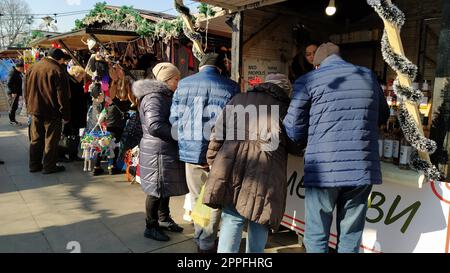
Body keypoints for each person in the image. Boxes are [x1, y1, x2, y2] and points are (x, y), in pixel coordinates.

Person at [283, 43, 390, 253]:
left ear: (317, 65)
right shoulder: (367, 76)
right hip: (361, 167)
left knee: (316, 233)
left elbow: (293, 126)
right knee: (351, 235)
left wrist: (305, 141)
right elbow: (383, 115)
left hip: (323, 168)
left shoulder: (309, 80)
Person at [203, 74, 296, 253]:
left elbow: (217, 133)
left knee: (232, 218)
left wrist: (214, 161)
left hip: (231, 168)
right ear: (285, 90)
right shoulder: (285, 109)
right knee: (260, 219)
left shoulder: (238, 99)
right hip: (266, 174)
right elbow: (295, 145)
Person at [170, 53, 240, 253]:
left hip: (191, 153)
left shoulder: (183, 85)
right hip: (219, 154)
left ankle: (201, 239)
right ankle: (207, 243)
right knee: (214, 198)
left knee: (196, 197)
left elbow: (174, 119)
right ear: (220, 67)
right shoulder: (231, 86)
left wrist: (185, 137)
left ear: (200, 67)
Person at [133, 63, 189, 242]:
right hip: (157, 150)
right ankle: (151, 226)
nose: (178, 83)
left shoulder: (164, 95)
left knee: (164, 187)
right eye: (176, 79)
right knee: (155, 189)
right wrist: (179, 133)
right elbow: (155, 126)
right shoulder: (154, 97)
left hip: (164, 149)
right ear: (165, 80)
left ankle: (164, 219)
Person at [25, 48, 71, 175]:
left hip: (34, 109)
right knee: (50, 139)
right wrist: (66, 114)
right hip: (52, 111)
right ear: (59, 59)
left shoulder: (33, 68)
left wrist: (29, 106)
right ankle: (49, 166)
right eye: (63, 60)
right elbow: (62, 96)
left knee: (36, 139)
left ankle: (34, 165)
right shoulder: (57, 70)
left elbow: (26, 90)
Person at [60, 66, 88, 162]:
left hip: (76, 113)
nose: (82, 78)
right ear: (76, 74)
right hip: (73, 113)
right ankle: (65, 153)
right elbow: (75, 99)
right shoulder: (72, 84)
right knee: (69, 134)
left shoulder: (75, 83)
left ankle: (72, 154)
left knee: (73, 134)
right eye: (81, 76)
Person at [7, 59, 25, 126]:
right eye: (22, 69)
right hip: (12, 93)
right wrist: (13, 92)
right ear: (19, 67)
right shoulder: (12, 73)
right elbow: (9, 83)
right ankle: (12, 120)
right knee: (13, 106)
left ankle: (13, 120)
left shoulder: (17, 72)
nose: (22, 70)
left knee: (15, 106)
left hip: (16, 92)